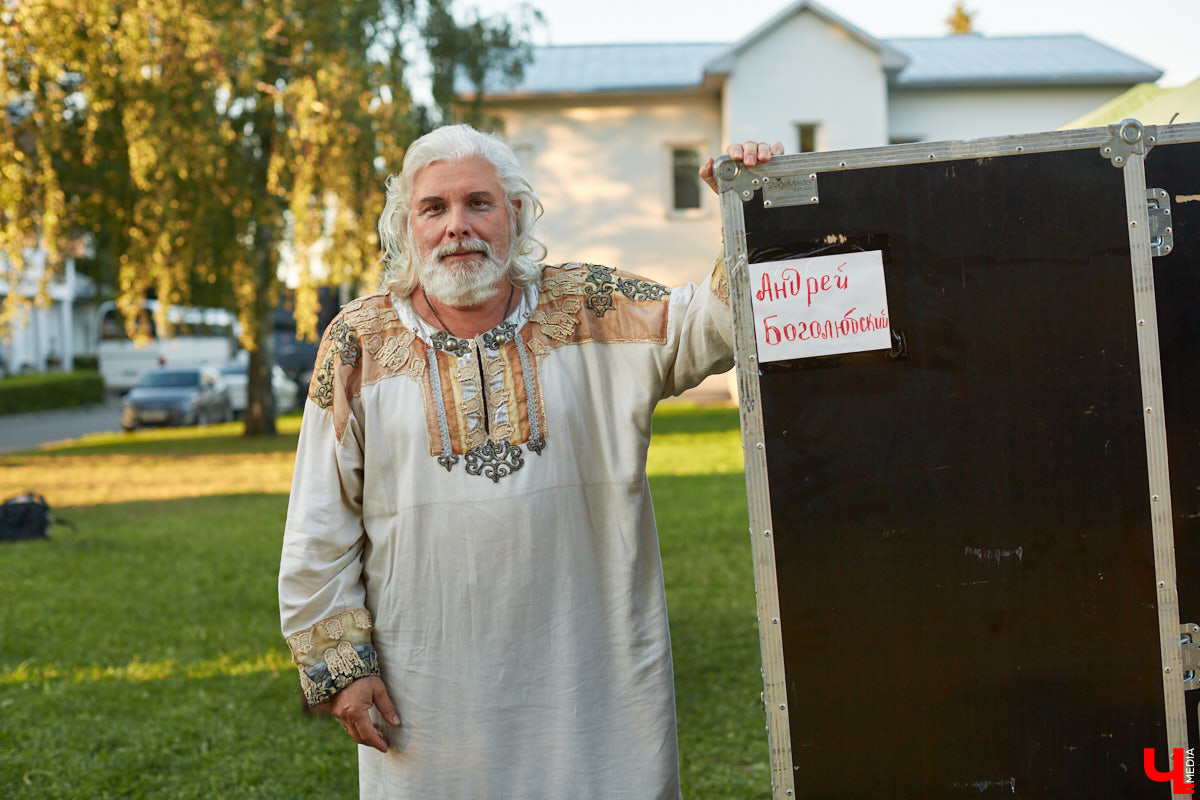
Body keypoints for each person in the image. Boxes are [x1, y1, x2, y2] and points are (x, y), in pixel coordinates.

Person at [278, 126, 783, 798]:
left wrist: (749, 208)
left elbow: (712, 325)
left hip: (592, 688)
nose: (458, 226)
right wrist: (342, 665)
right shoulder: (357, 343)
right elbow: (319, 522)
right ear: (407, 224)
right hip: (425, 694)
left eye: (479, 203)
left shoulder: (592, 308)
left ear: (515, 214)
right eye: (435, 209)